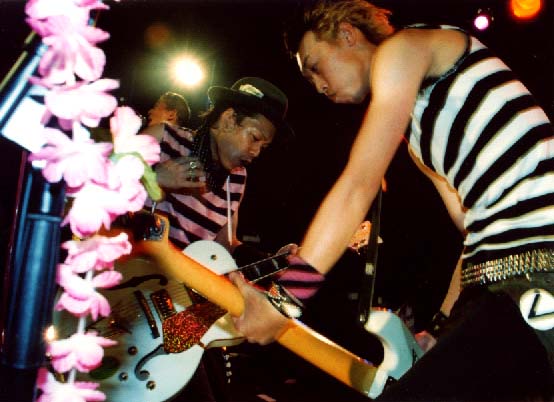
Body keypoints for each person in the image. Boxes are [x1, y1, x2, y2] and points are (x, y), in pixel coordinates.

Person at [228, 1, 554, 400]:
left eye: (315, 66)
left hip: (540, 264)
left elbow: (357, 186)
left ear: (347, 34)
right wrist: (440, 329)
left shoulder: (404, 48)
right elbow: (472, 230)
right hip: (501, 281)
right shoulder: (420, 137)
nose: (317, 85)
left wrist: (284, 300)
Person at [142, 77, 293, 401]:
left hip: (178, 311)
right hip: (129, 288)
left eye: (263, 147)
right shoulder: (162, 137)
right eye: (254, 138)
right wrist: (156, 178)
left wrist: (275, 260)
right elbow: (97, 183)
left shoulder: (236, 180)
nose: (256, 152)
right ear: (228, 120)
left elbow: (225, 248)